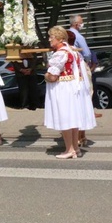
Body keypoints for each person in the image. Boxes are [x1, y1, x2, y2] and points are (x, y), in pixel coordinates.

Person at [44, 26, 83, 159]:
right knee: (72, 118)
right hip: (71, 85)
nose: (49, 40)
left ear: (60, 38)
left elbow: (53, 76)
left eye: (51, 37)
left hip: (63, 87)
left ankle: (69, 149)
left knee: (65, 117)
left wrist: (46, 76)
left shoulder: (61, 53)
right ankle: (75, 148)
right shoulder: (72, 51)